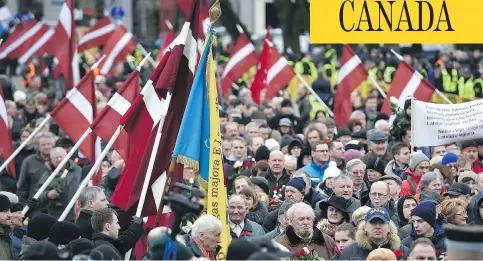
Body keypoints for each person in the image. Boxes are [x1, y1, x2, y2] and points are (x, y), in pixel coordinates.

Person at [336, 207, 410, 260]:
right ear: (365, 227)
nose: (377, 226)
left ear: (389, 227)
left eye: (382, 222)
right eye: (373, 223)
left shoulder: (403, 251)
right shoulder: (350, 252)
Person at [37, 147, 82, 220]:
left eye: (61, 156)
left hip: (77, 216)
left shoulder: (78, 170)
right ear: (51, 159)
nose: (59, 159)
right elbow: (38, 195)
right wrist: (47, 194)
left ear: (67, 156)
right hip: (56, 217)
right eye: (56, 157)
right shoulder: (47, 174)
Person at [16, 132, 55, 208]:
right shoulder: (29, 161)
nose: (47, 147)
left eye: (49, 144)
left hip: (55, 207)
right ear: (37, 147)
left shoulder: (59, 160)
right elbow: (22, 186)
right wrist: (23, 206)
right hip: (35, 207)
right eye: (43, 145)